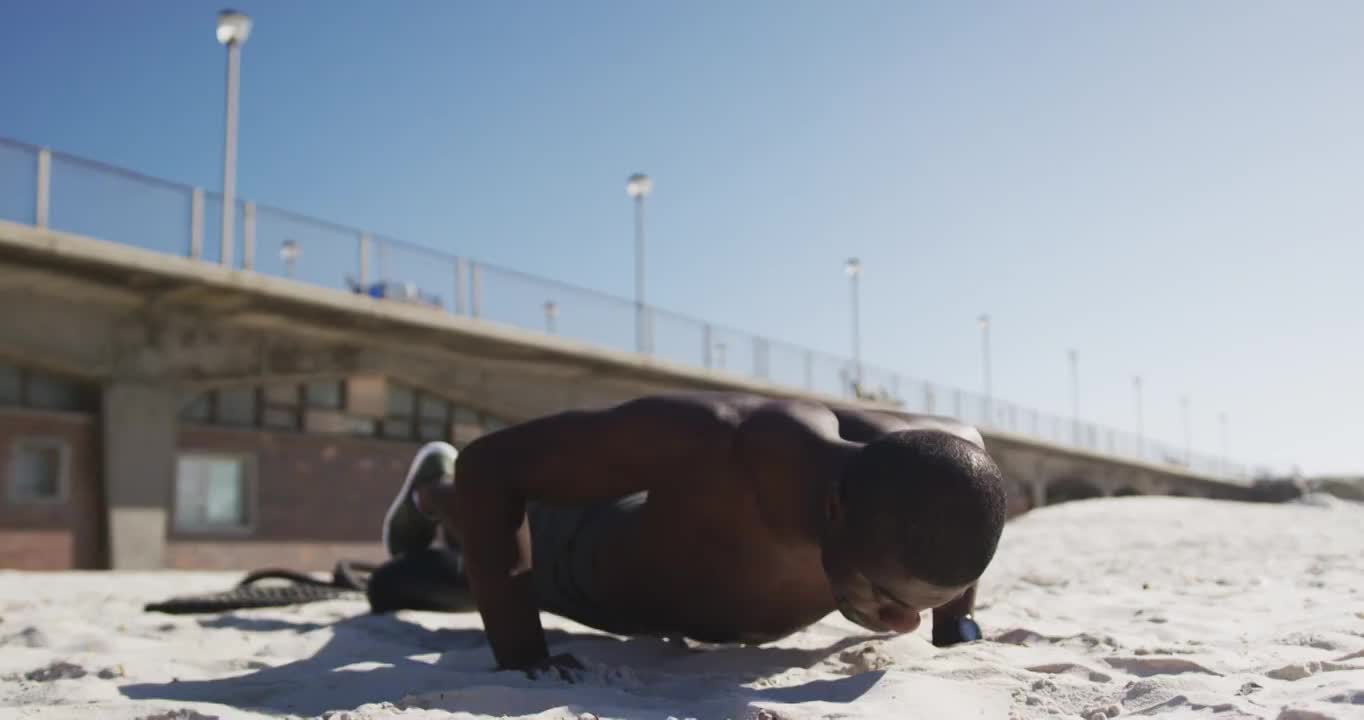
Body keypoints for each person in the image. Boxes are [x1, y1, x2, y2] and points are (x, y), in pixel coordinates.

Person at [380, 392, 1007, 673]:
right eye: (890, 598)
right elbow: (491, 466)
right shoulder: (713, 440)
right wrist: (523, 658)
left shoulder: (947, 469)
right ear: (834, 509)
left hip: (693, 574)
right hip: (583, 557)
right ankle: (427, 493)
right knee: (469, 526)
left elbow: (960, 527)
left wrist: (957, 625)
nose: (901, 625)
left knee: (410, 583)